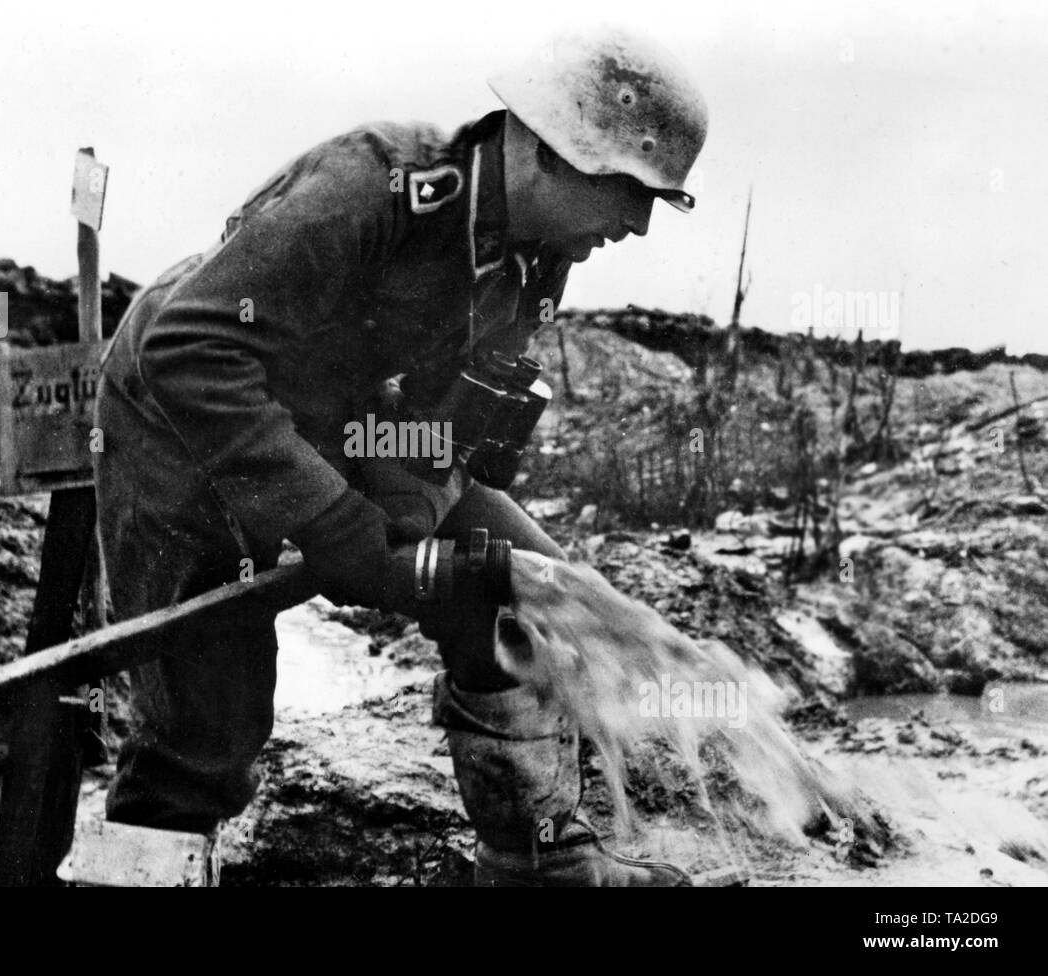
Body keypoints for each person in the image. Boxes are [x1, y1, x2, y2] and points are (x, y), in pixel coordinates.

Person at [92, 24, 708, 886]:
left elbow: (441, 423)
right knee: (207, 723)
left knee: (533, 592)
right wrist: (338, 524)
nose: (638, 224)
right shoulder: (374, 184)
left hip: (332, 413)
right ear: (543, 152)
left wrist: (410, 535)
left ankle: (533, 860)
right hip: (184, 409)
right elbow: (193, 349)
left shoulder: (532, 258)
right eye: (626, 190)